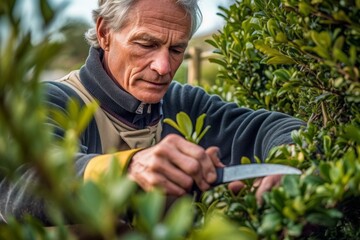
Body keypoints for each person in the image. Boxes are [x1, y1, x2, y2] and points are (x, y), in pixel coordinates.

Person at [0, 0, 305, 224]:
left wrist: (287, 163)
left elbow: (277, 128)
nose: (164, 68)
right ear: (104, 32)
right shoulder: (50, 99)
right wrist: (127, 169)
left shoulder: (184, 104)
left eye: (176, 50)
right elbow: (22, 185)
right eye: (146, 44)